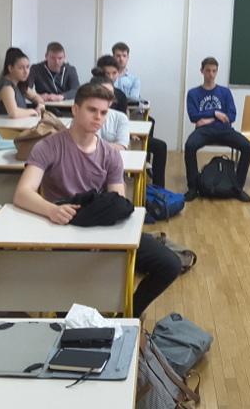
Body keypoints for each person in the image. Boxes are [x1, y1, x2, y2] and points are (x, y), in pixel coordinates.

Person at [12, 83, 180, 316]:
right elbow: (22, 193)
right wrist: (51, 210)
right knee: (68, 299)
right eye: (92, 110)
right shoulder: (49, 146)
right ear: (75, 110)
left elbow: (117, 201)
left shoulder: (110, 154)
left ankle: (127, 317)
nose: (98, 117)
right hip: (64, 228)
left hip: (100, 226)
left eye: (103, 112)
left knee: (170, 264)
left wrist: (101, 231)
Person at [184, 57, 250, 203]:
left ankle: (238, 188)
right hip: (204, 131)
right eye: (208, 71)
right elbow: (193, 116)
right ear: (202, 71)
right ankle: (193, 188)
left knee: (247, 146)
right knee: (190, 146)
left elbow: (232, 116)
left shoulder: (225, 92)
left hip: (224, 130)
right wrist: (215, 113)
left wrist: (208, 119)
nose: (211, 74)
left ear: (217, 71)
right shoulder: (193, 93)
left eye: (214, 71)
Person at [94, 57, 168, 187]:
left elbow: (123, 120)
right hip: (101, 145)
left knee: (160, 146)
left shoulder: (120, 96)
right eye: (107, 73)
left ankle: (158, 189)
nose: (111, 77)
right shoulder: (88, 96)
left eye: (114, 73)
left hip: (117, 138)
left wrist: (128, 134)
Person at [0, 47, 46, 118]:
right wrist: (34, 111)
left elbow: (36, 97)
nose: (26, 72)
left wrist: (40, 105)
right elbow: (14, 113)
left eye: (27, 67)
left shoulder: (19, 84)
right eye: (21, 68)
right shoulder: (6, 87)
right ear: (10, 68)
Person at [90, 74, 131, 150]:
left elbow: (121, 147)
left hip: (113, 156)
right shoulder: (82, 116)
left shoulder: (120, 117)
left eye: (111, 93)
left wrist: (95, 146)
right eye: (104, 92)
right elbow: (81, 144)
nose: (108, 96)